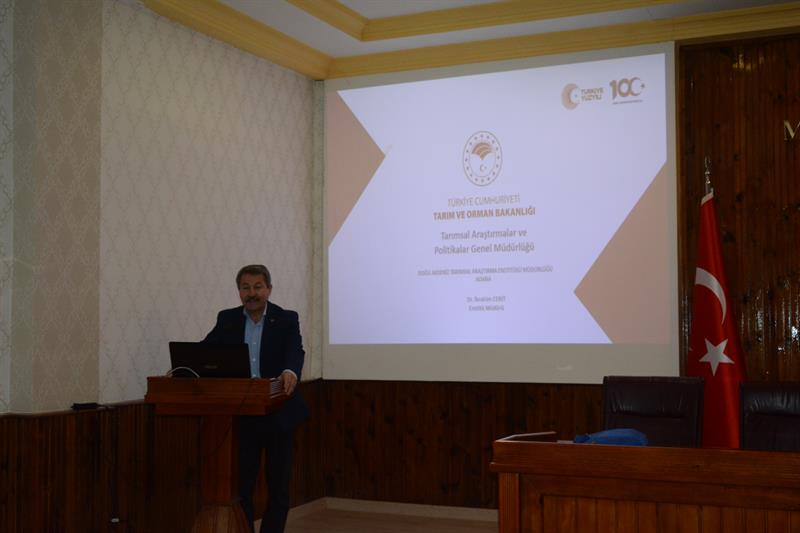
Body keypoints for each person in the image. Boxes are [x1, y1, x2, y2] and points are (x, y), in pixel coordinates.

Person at [204, 264, 308, 533]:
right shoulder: (227, 319)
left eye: (258, 287)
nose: (252, 293)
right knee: (242, 487)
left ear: (269, 289)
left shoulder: (286, 319)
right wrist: (183, 369)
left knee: (278, 487)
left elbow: (295, 350)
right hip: (242, 415)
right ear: (239, 291)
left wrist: (290, 371)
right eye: (245, 288)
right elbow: (205, 352)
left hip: (278, 411)